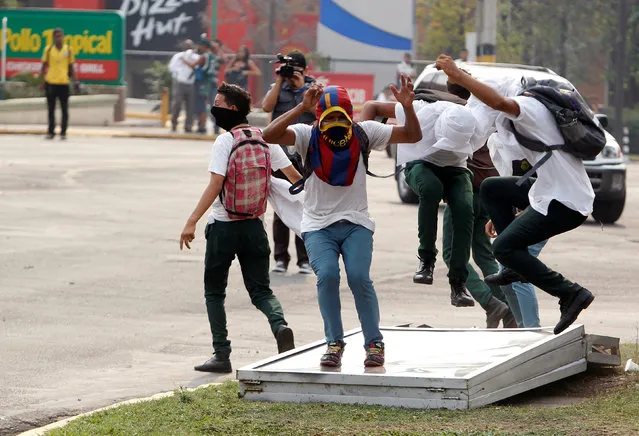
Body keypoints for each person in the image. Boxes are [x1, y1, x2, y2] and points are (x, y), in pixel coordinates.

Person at [262, 75, 422, 368]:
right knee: (328, 277)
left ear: (349, 114)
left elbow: (412, 136)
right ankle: (333, 343)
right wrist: (301, 108)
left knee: (360, 278)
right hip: (317, 224)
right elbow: (269, 136)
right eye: (328, 115)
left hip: (355, 222)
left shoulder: (365, 132)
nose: (335, 121)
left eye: (341, 115)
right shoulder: (305, 134)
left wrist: (408, 108)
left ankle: (374, 344)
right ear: (319, 115)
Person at [436, 54, 596, 335]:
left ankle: (570, 293)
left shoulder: (530, 108)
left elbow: (498, 102)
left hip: (566, 202)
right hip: (547, 190)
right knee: (492, 188)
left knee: (503, 248)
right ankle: (514, 268)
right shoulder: (520, 118)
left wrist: (460, 76)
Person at [179, 82, 301, 373]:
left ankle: (221, 355)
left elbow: (215, 185)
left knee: (214, 292)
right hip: (254, 228)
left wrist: (192, 220)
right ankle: (279, 324)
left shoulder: (225, 142)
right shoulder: (267, 138)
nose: (214, 107)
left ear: (232, 109)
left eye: (218, 102)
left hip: (224, 227)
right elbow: (294, 177)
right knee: (261, 291)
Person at [360, 86, 477, 308]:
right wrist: (361, 149)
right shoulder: (420, 110)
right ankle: (426, 261)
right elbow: (370, 106)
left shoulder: (473, 119)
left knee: (464, 208)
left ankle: (458, 283)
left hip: (456, 169)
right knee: (431, 188)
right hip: (420, 163)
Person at [262, 51, 315, 275]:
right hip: (282, 158)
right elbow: (266, 107)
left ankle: (304, 259)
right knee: (281, 208)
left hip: (307, 155)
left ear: (304, 70)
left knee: (306, 206)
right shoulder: (279, 87)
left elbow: (318, 112)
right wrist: (279, 82)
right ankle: (281, 258)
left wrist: (302, 87)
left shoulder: (313, 88)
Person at [39, 28, 78, 140]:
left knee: (64, 110)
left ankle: (63, 132)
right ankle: (51, 132)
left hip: (63, 83)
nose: (59, 38)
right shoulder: (49, 50)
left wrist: (75, 81)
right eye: (57, 36)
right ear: (53, 38)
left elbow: (71, 67)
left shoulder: (68, 50)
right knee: (51, 110)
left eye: (61, 36)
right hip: (51, 82)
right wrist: (41, 82)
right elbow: (43, 66)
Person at [169, 40, 200, 133]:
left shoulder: (196, 57)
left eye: (189, 45)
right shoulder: (178, 56)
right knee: (177, 105)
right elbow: (172, 67)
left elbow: (197, 67)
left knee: (190, 107)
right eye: (186, 45)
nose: (188, 47)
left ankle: (188, 126)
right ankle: (174, 125)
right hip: (180, 83)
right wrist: (178, 75)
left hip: (191, 84)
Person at [191, 37, 214, 134]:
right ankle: (202, 125)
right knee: (203, 104)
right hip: (208, 81)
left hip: (202, 82)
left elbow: (192, 65)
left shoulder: (203, 56)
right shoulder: (212, 56)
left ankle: (202, 126)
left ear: (204, 46)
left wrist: (184, 60)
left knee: (201, 105)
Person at [209, 39, 226, 134]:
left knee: (215, 105)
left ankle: (216, 128)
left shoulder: (219, 56)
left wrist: (218, 49)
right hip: (205, 83)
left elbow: (224, 60)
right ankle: (201, 126)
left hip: (215, 83)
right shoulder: (208, 54)